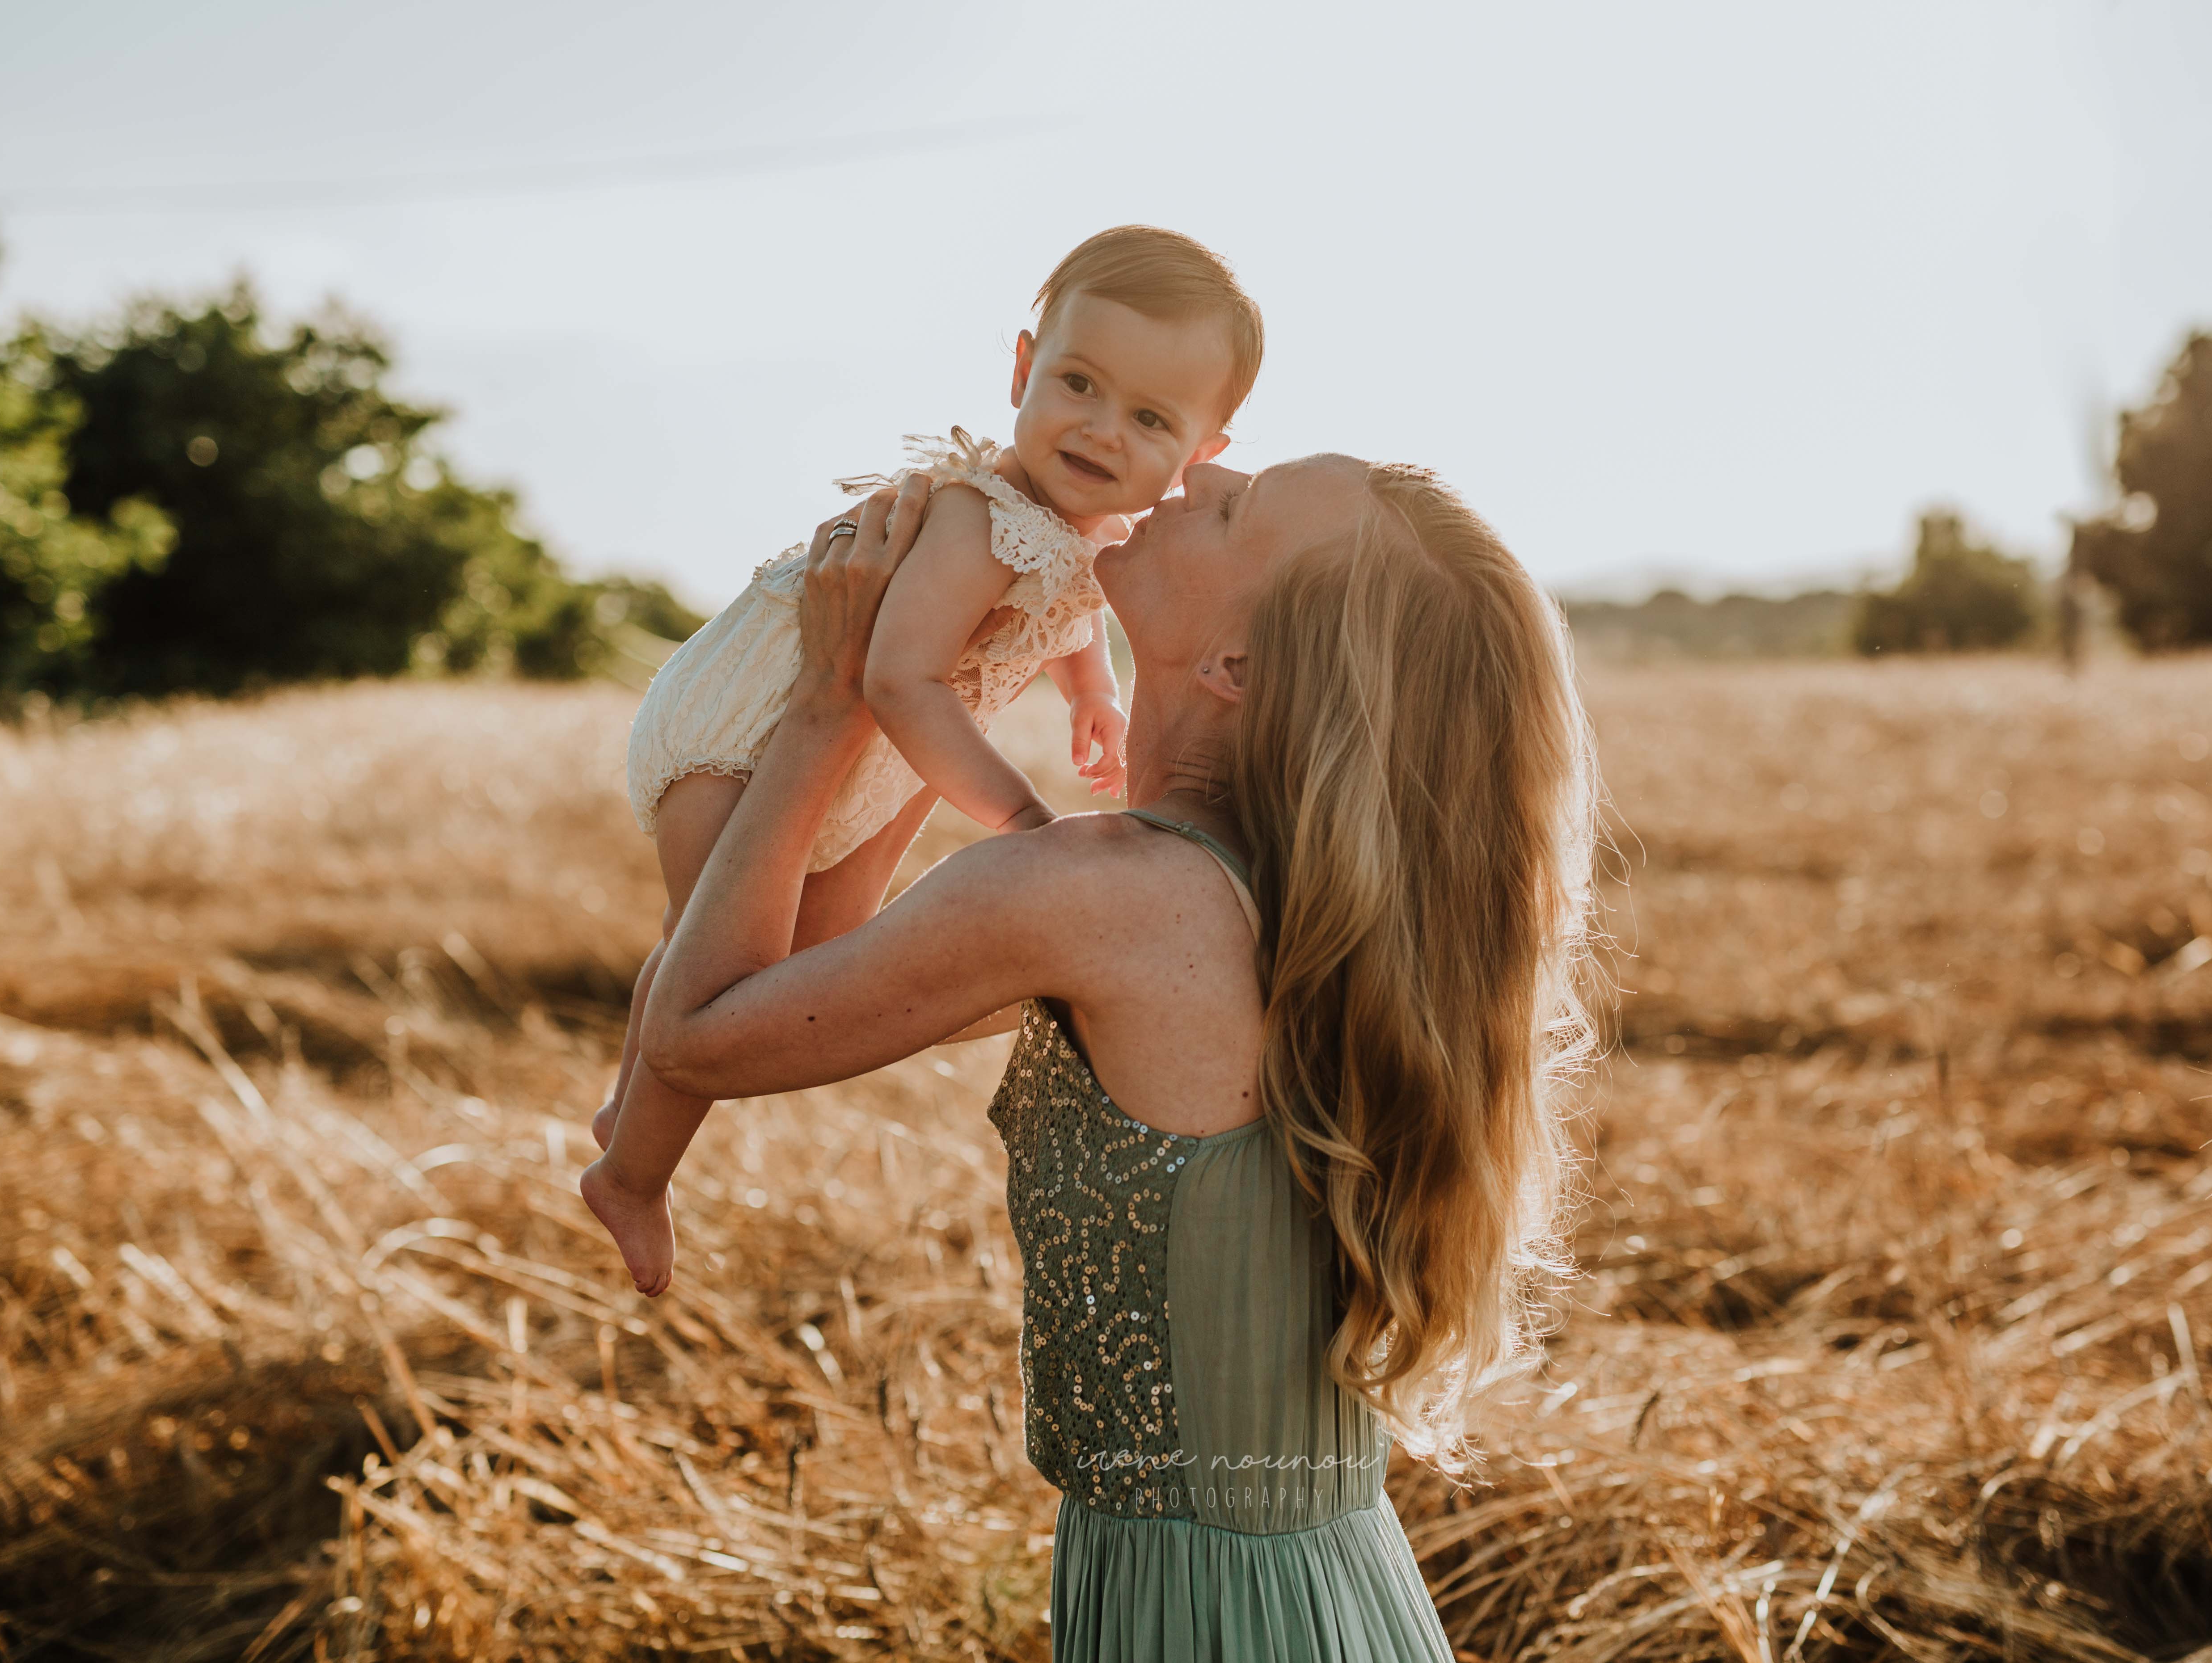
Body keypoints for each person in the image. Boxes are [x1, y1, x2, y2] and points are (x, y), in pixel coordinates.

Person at [587, 452, 1599, 1660]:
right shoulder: (1289, 902)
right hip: (1333, 1593)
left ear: (1236, 665)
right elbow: (825, 972)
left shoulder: (1102, 893)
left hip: (1207, 1623)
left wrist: (830, 697)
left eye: (1236, 506)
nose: (1201, 464)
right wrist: (943, 672)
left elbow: (696, 1032)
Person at [594, 227, 1266, 1295]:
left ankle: (630, 1099)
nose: (1099, 430)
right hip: (744, 730)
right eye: (1077, 383)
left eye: (1147, 417)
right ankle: (630, 1172)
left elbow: (1067, 600)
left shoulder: (1085, 527)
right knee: (716, 956)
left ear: (1205, 449)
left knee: (798, 965)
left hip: (861, 764)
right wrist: (1019, 820)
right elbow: (897, 681)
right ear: (1019, 368)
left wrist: (1095, 690)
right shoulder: (973, 516)